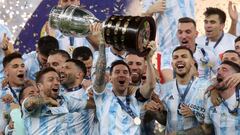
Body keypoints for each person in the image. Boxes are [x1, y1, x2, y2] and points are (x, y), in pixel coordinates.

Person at [91, 29, 156, 134]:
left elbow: (151, 85)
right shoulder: (102, 96)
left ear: (130, 78)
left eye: (125, 72)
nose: (121, 74)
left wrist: (148, 59)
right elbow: (99, 75)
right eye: (117, 72)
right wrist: (102, 45)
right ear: (110, 78)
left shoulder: (136, 98)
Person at [159, 46, 211, 134]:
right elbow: (164, 119)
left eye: (184, 56)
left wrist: (195, 114)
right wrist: (155, 111)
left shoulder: (207, 87)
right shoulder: (165, 88)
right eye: (175, 57)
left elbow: (212, 123)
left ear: (192, 62)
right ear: (172, 64)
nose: (179, 59)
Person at [22, 67, 89, 134]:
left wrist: (90, 88)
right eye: (51, 80)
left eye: (58, 80)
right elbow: (30, 103)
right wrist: (48, 100)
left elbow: (89, 104)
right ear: (39, 86)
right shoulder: (33, 105)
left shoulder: (64, 100)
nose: (57, 83)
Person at [142, 0, 195, 82]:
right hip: (166, 53)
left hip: (191, 49)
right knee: (170, 88)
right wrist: (150, 11)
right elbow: (141, 23)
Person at [182, 61, 240, 135]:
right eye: (218, 69)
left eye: (224, 69)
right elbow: (207, 129)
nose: (218, 72)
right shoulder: (210, 100)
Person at [0, 52, 26, 134]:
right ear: (6, 72)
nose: (21, 69)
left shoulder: (33, 91)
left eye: (22, 66)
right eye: (15, 66)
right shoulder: (1, 94)